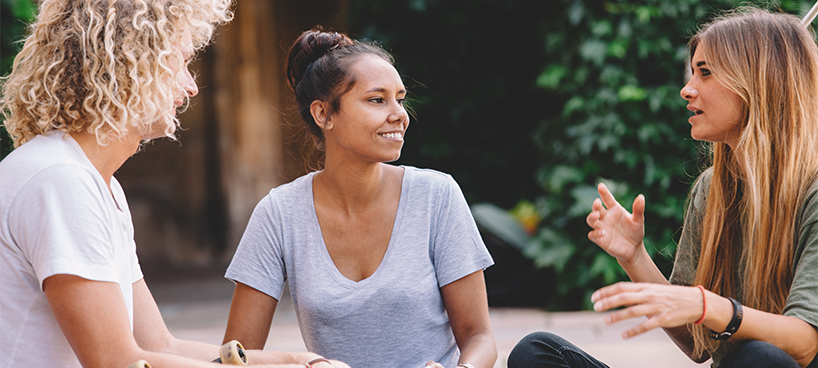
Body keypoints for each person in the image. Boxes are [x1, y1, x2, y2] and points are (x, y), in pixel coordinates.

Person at [0, 1, 346, 367]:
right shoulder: (60, 181)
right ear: (129, 64)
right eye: (180, 63)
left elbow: (160, 345)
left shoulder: (95, 183)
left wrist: (300, 361)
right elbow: (115, 361)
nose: (192, 86)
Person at [508, 7, 818, 368]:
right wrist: (634, 257)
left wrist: (710, 306)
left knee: (761, 359)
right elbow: (698, 344)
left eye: (705, 73)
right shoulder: (713, 190)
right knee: (536, 353)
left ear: (759, 82)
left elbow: (805, 344)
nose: (687, 89)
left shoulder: (811, 191)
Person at [221, 27, 497, 368]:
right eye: (377, 100)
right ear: (324, 114)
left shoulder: (436, 197)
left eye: (400, 98)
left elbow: (479, 338)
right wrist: (303, 363)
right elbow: (237, 355)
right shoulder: (280, 214)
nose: (399, 114)